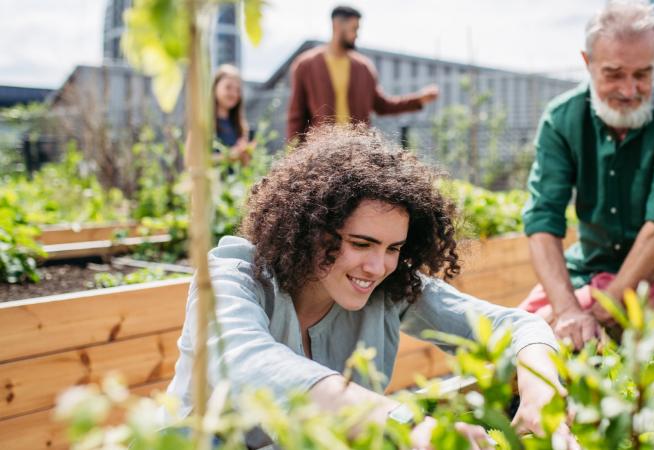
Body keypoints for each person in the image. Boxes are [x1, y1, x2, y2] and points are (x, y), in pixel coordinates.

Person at [165, 126, 571, 448]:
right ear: (310, 228)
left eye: (393, 248)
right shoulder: (231, 278)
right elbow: (246, 364)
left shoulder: (391, 287)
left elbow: (516, 326)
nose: (377, 267)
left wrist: (542, 389)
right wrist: (401, 422)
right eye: (360, 244)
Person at [520, 0, 654, 350]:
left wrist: (599, 310)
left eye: (643, 74)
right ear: (587, 63)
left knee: (555, 340)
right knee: (522, 330)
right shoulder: (561, 119)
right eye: (613, 73)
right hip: (589, 268)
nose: (629, 90)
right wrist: (566, 309)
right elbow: (542, 222)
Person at [286, 5, 439, 144]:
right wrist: (293, 151)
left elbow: (382, 105)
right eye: (354, 28)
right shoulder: (305, 65)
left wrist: (418, 99)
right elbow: (297, 114)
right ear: (337, 25)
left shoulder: (363, 68)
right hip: (321, 152)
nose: (357, 35)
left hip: (358, 151)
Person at [212, 64, 255, 166]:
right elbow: (191, 161)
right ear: (215, 88)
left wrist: (245, 154)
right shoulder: (203, 123)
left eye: (237, 90)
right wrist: (230, 156)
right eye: (228, 87)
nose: (234, 94)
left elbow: (245, 167)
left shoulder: (241, 126)